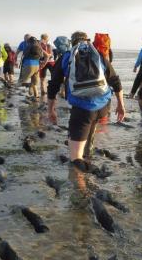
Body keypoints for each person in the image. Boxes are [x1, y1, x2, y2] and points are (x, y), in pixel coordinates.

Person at [47, 31, 125, 167]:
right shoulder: (98, 54)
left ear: (72, 42)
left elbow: (53, 85)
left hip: (82, 109)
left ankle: (81, 183)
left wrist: (51, 110)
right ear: (87, 40)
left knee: (75, 158)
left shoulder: (67, 56)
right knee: (91, 125)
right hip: (103, 106)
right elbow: (115, 80)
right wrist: (121, 105)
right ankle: (87, 155)